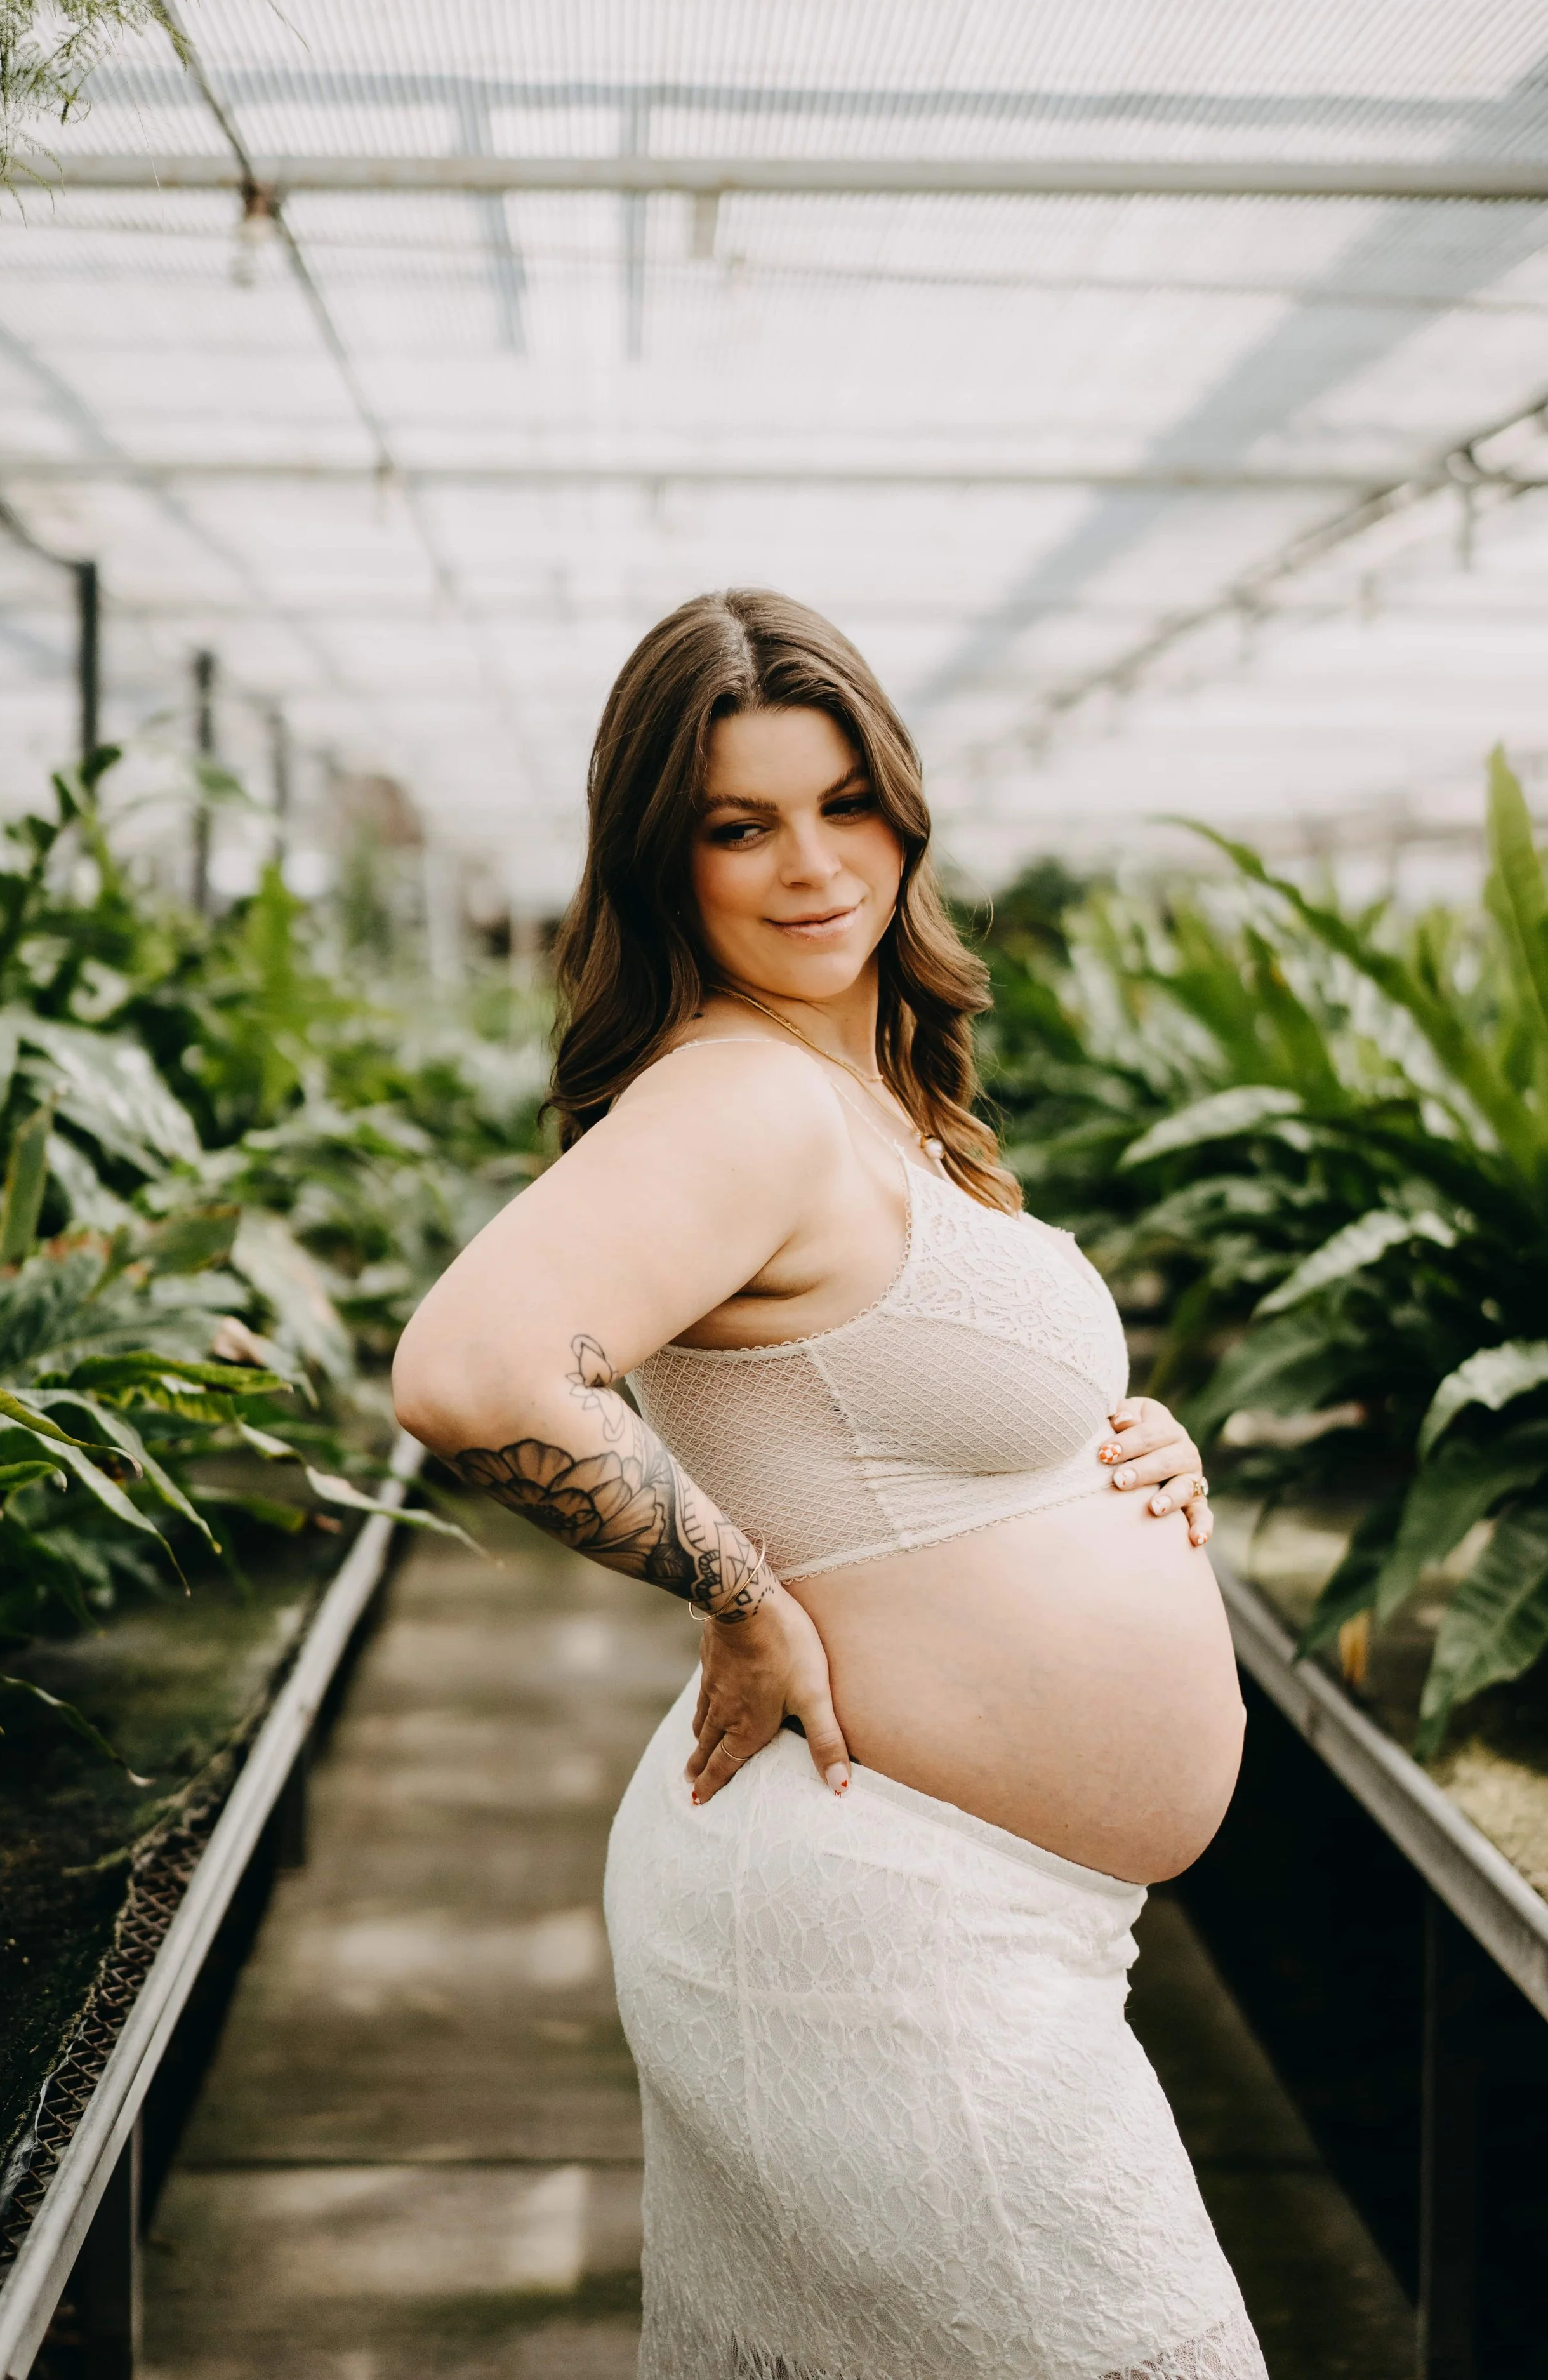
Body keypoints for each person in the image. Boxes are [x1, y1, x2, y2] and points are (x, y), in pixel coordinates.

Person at [393, 589, 1265, 2380]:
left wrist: (1118, 1435)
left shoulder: (866, 1090)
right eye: (737, 823)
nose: (809, 864)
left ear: (903, 811)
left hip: (955, 1912)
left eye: (841, 802)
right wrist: (736, 1585)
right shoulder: (745, 1101)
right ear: (662, 859)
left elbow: (880, 1390)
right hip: (886, 1921)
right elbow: (473, 1370)